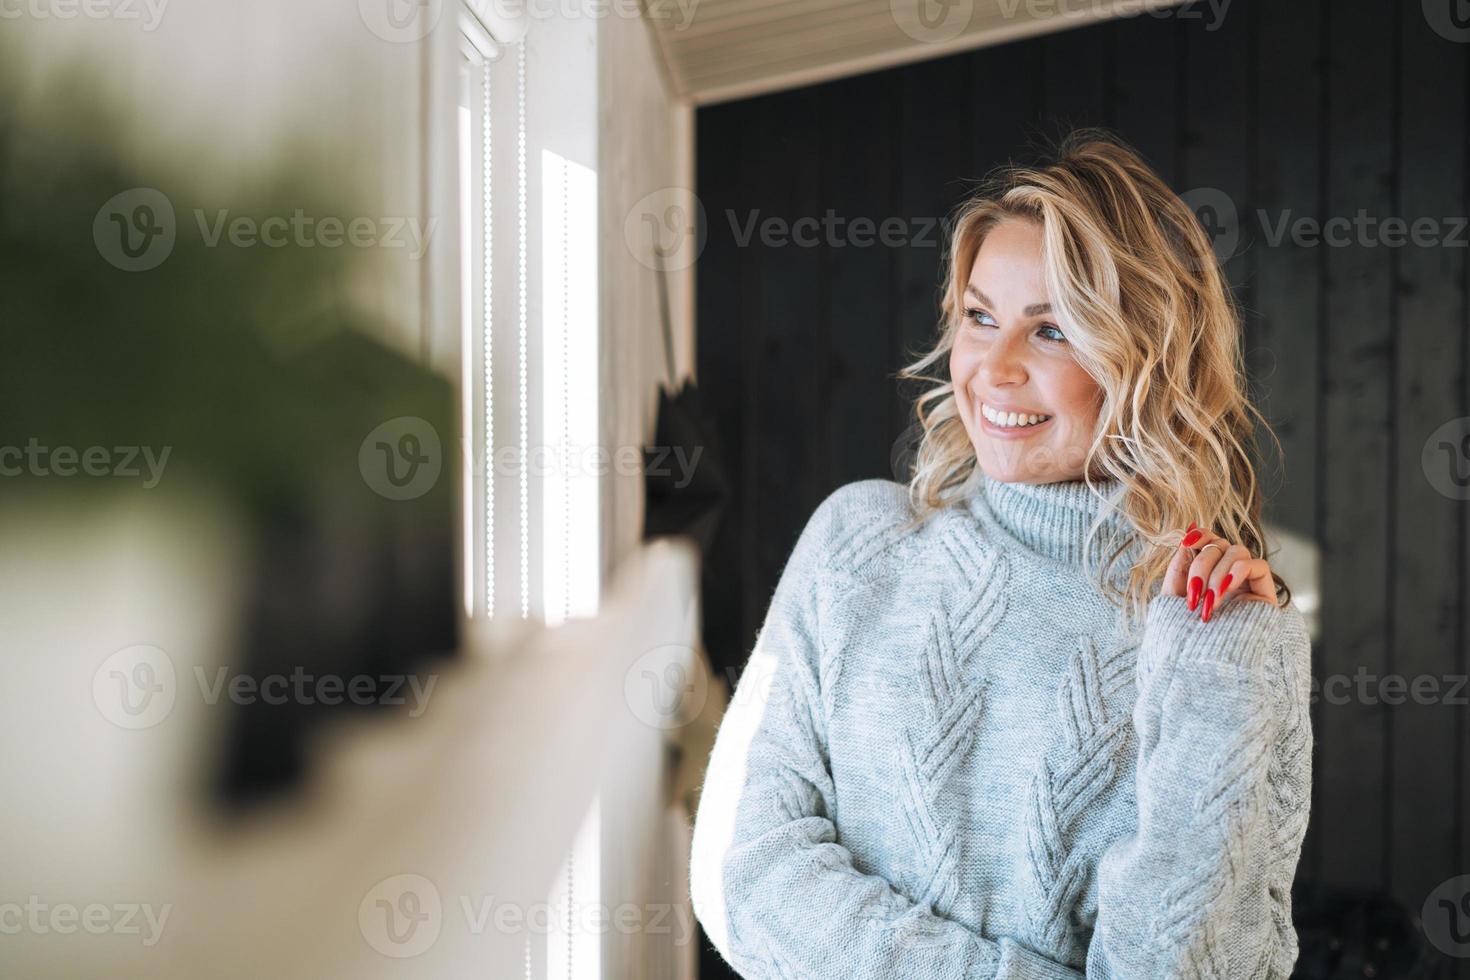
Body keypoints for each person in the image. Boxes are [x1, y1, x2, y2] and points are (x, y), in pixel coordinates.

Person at [688, 128, 1313, 978]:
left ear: (1149, 358)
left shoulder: (1220, 634)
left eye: (1052, 331)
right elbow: (745, 877)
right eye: (981, 318)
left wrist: (1219, 675)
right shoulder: (857, 544)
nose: (995, 368)